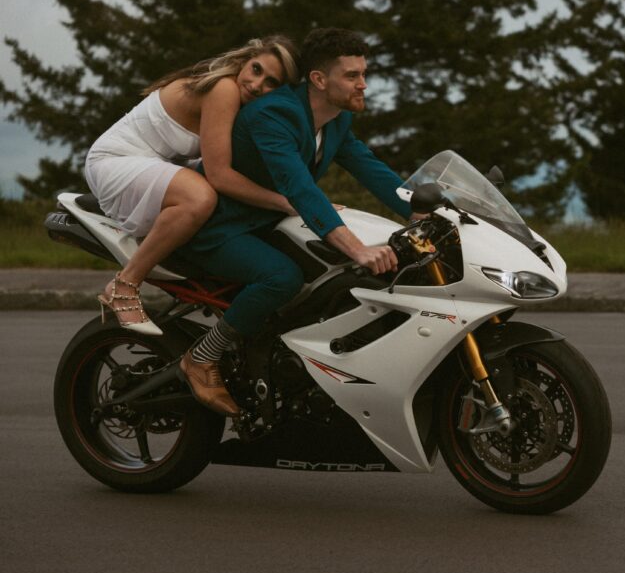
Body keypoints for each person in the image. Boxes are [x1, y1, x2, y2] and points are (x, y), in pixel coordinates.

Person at [174, 28, 412, 416]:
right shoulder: (274, 114)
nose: (363, 84)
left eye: (363, 74)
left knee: (333, 278)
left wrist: (428, 209)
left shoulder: (335, 121)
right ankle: (203, 356)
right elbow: (298, 188)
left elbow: (373, 170)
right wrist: (358, 248)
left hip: (267, 224)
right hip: (220, 227)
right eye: (351, 76)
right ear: (319, 79)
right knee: (282, 278)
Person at [84, 36, 301, 335]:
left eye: (271, 81)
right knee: (200, 198)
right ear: (245, 60)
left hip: (154, 162)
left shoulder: (245, 102)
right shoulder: (224, 89)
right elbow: (220, 175)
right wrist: (285, 201)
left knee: (205, 199)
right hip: (116, 159)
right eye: (256, 69)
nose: (256, 84)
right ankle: (124, 285)